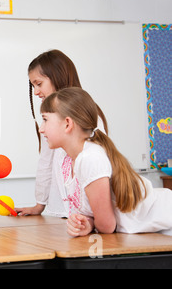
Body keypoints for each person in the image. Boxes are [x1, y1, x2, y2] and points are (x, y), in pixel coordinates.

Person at [40, 87, 172, 237]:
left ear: (67, 124)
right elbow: (99, 217)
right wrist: (87, 223)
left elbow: (107, 225)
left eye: (45, 120)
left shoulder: (90, 158)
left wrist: (91, 223)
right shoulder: (75, 160)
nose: (41, 129)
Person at [15, 50, 107, 217]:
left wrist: (90, 216)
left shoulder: (88, 115)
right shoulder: (50, 118)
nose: (35, 92)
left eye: (39, 83)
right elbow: (46, 161)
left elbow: (96, 167)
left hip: (88, 213)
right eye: (33, 86)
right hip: (63, 211)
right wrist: (39, 204)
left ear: (57, 77)